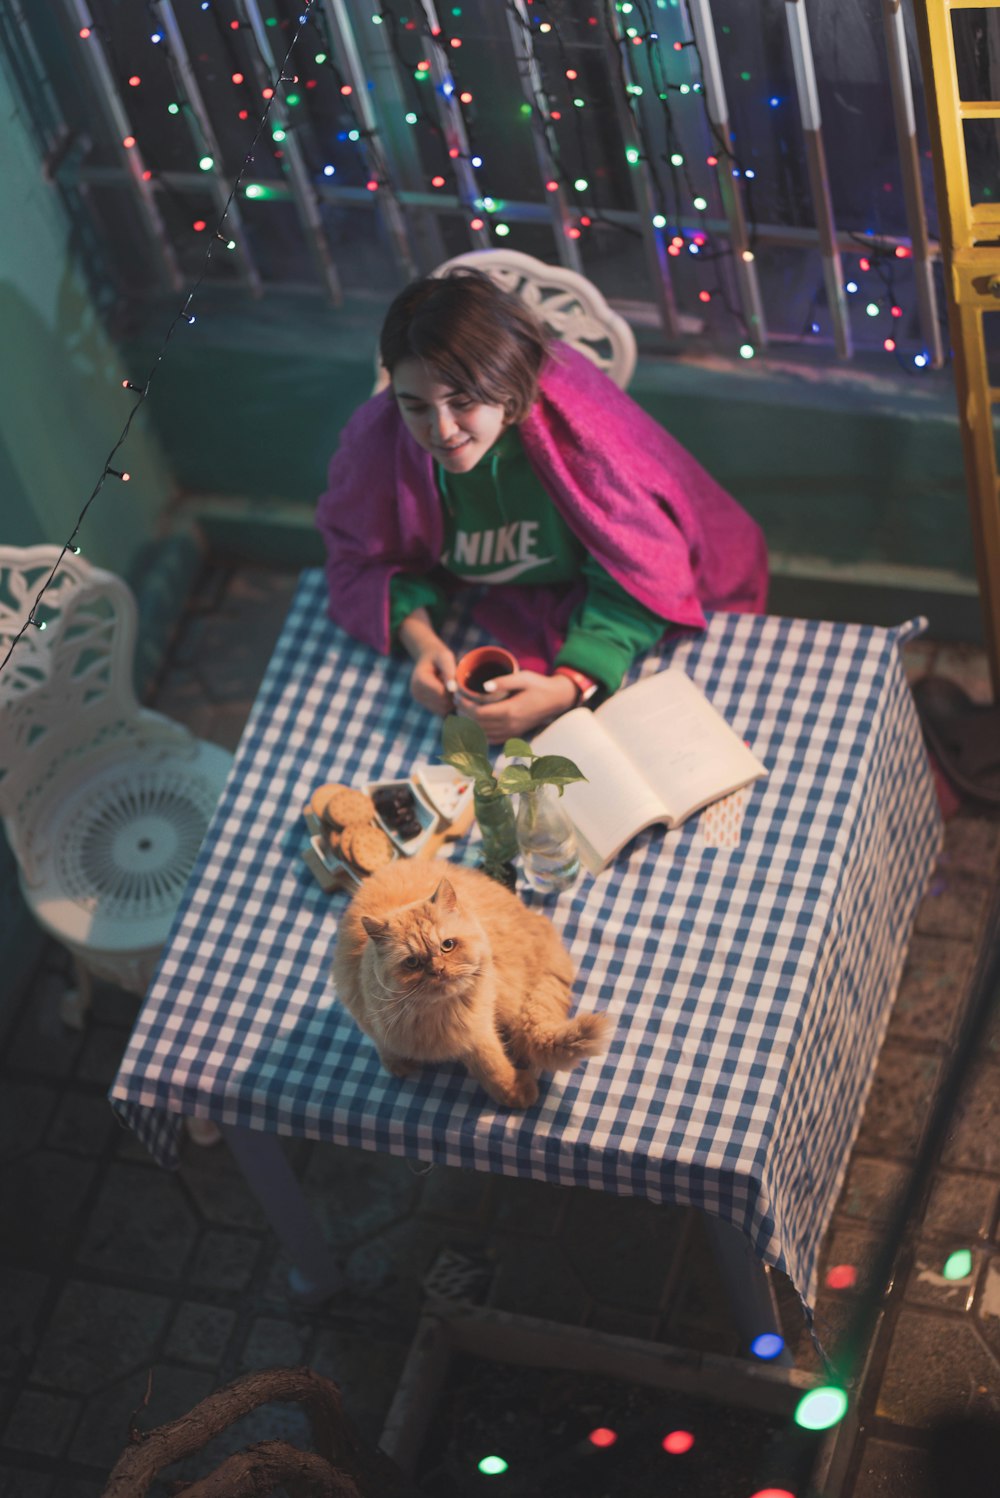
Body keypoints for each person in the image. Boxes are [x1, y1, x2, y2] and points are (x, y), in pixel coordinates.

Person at [316, 268, 768, 742]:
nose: (442, 431)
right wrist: (422, 641)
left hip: (619, 615)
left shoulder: (581, 437)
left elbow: (645, 568)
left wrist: (569, 687)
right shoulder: (378, 438)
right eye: (416, 406)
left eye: (463, 401)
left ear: (508, 387)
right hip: (494, 609)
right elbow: (359, 555)